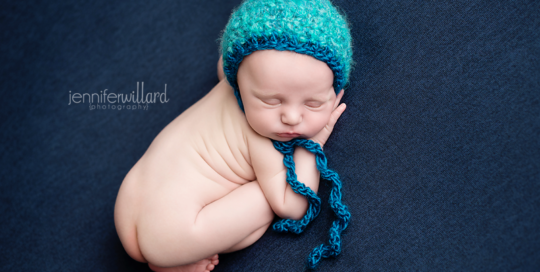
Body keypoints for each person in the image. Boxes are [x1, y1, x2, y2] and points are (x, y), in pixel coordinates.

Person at [114, 0, 352, 271]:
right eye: (272, 101)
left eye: (312, 104)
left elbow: (224, 63)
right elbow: (294, 206)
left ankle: (170, 259)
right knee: (267, 200)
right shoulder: (264, 141)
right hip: (172, 234)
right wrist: (313, 143)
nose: (291, 118)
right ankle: (171, 259)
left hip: (128, 205)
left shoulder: (235, 78)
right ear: (239, 81)